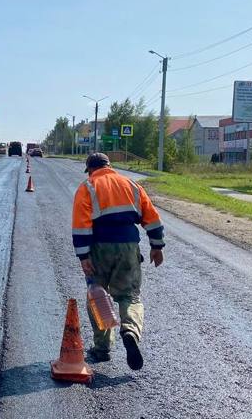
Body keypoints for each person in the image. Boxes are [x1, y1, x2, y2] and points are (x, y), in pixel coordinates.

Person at [71, 152, 165, 370]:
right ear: (109, 166)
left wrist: (84, 257)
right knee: (129, 295)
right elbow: (151, 217)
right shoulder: (131, 185)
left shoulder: (87, 187)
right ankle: (130, 330)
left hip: (99, 248)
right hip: (128, 247)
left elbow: (80, 225)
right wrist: (156, 246)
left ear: (90, 169)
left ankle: (102, 348)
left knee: (98, 295)